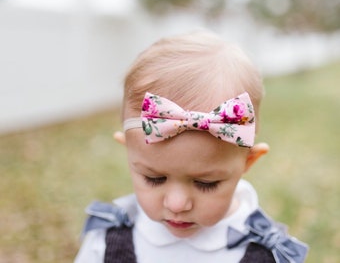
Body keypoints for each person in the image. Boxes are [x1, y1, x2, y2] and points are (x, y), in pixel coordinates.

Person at [74, 30, 308, 263]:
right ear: (128, 151)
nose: (177, 204)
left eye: (206, 184)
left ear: (248, 161)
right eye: (154, 178)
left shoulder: (269, 254)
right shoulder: (107, 240)